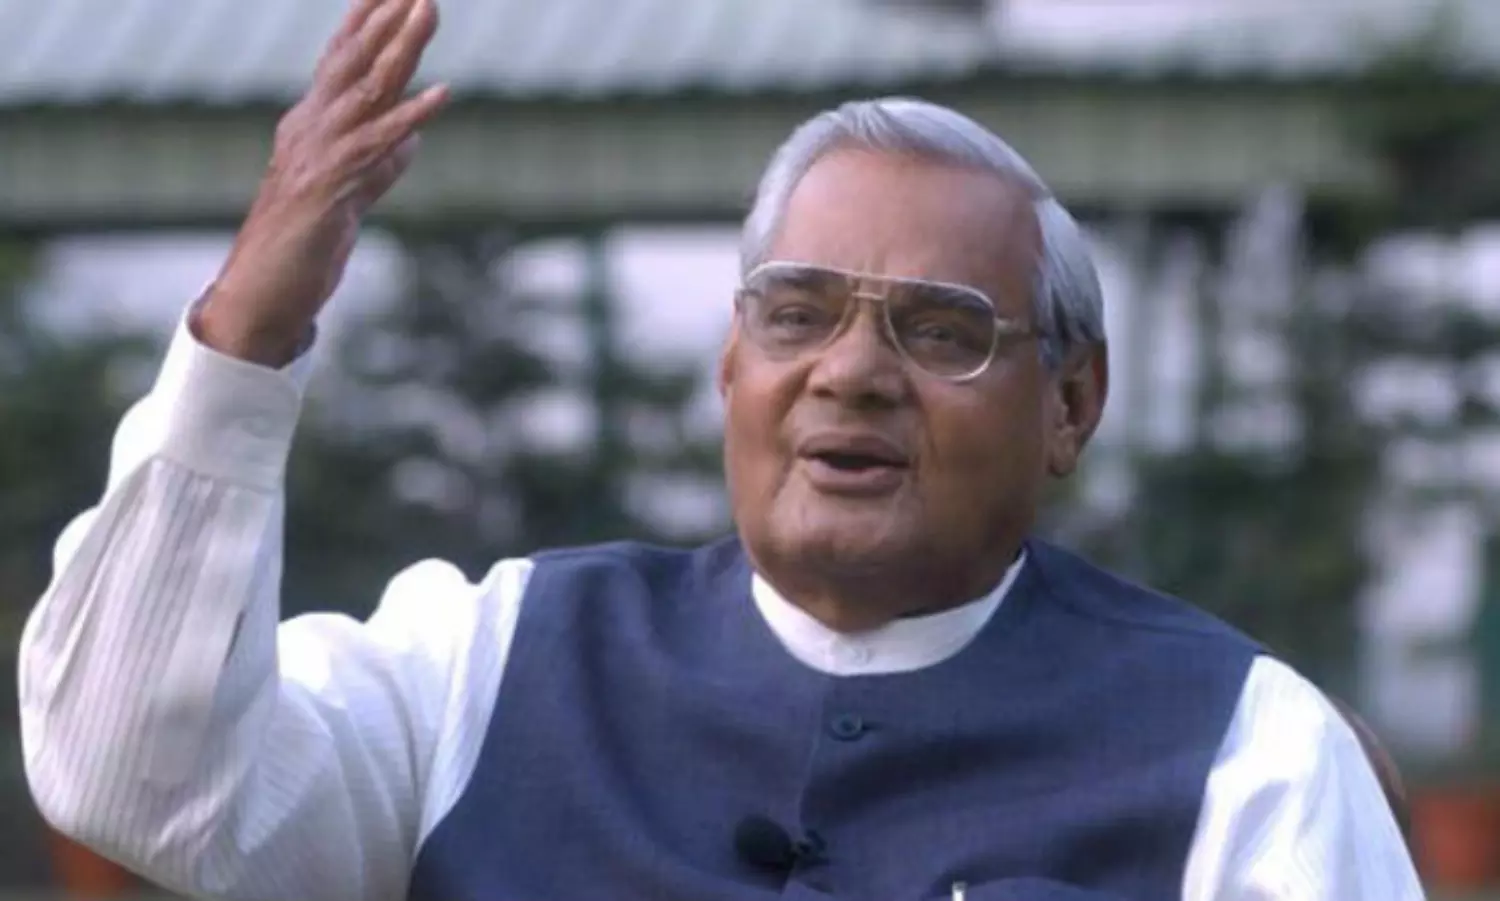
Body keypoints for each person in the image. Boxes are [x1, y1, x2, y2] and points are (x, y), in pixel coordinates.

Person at [17, 0, 1423, 899]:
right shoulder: (490, 666)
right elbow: (136, 783)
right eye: (796, 314)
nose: (851, 373)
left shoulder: (1244, 753)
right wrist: (246, 334)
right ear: (732, 365)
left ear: (1071, 403)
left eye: (939, 330)